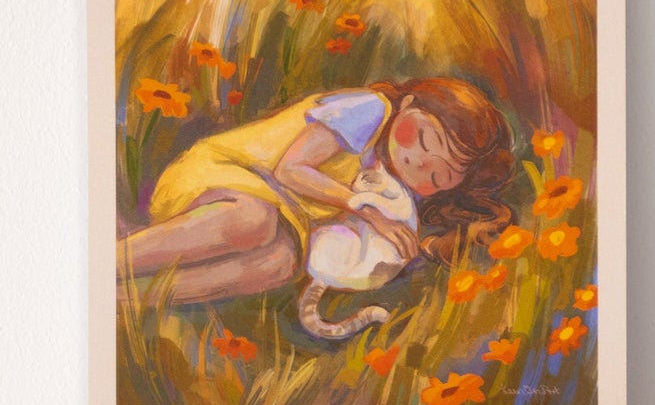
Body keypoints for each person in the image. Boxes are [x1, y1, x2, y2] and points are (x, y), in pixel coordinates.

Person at [119, 77, 515, 305]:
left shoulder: (387, 176)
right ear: (409, 102)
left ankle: (128, 300)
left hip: (272, 212)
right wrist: (367, 211)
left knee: (281, 263)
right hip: (218, 175)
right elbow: (290, 170)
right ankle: (111, 262)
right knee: (255, 220)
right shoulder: (370, 109)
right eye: (424, 139)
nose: (419, 162)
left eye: (440, 177)